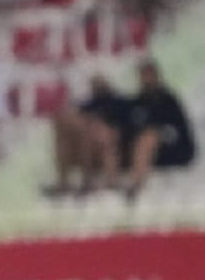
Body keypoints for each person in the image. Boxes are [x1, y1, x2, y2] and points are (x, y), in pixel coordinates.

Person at [118, 58, 196, 196]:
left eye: (149, 74)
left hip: (172, 150)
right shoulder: (137, 102)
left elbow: (177, 131)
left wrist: (157, 134)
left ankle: (136, 185)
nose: (146, 79)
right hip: (140, 151)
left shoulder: (169, 101)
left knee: (149, 137)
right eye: (143, 75)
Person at [47, 74, 131, 196]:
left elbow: (122, 131)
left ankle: (89, 180)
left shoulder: (120, 104)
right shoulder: (88, 105)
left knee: (94, 133)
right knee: (67, 135)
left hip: (110, 149)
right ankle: (66, 181)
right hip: (85, 148)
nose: (98, 84)